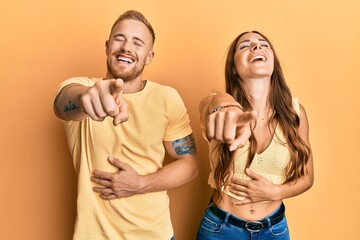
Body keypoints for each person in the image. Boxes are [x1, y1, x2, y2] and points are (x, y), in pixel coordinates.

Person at [53, 10, 198, 240]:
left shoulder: (167, 97)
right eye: (119, 38)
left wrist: (140, 184)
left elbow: (189, 164)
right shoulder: (81, 87)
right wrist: (87, 98)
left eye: (137, 42)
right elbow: (63, 103)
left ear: (149, 56)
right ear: (107, 46)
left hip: (156, 235)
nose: (126, 47)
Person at [196, 31, 314, 239]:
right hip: (220, 230)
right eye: (244, 46)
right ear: (233, 67)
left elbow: (307, 178)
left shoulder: (296, 113)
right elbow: (213, 104)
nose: (256, 47)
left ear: (273, 63)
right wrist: (226, 107)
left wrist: (275, 193)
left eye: (263, 44)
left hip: (274, 230)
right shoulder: (216, 104)